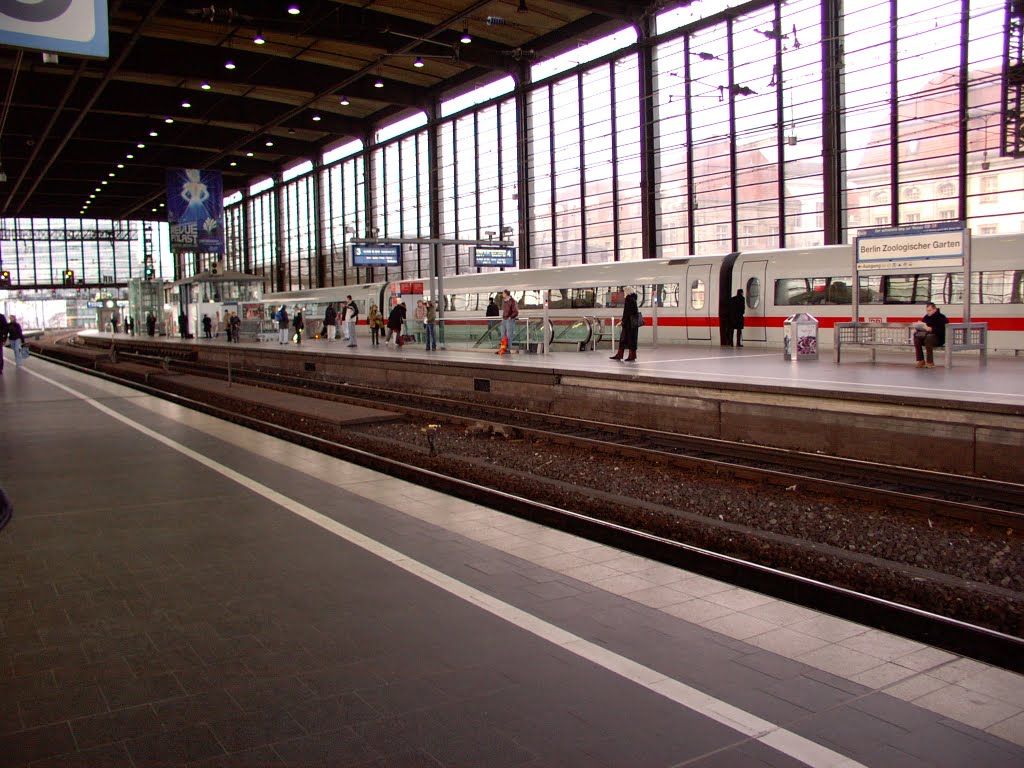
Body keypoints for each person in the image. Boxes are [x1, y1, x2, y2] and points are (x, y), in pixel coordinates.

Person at [610, 287, 641, 362]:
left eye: (624, 291)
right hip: (633, 324)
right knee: (631, 340)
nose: (624, 293)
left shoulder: (628, 299)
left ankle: (622, 355)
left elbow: (626, 312)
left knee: (624, 339)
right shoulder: (633, 299)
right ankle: (631, 355)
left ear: (627, 291)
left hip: (628, 324)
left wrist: (623, 321)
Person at [913, 301, 949, 369]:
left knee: (929, 338)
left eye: (929, 310)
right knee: (916, 337)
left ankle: (930, 362)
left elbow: (942, 330)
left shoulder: (941, 317)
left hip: (938, 339)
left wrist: (931, 329)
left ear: (935, 309)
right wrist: (919, 328)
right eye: (927, 311)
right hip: (926, 336)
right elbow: (923, 325)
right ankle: (921, 360)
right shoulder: (926, 317)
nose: (928, 312)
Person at [499, 289, 518, 355]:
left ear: (506, 294)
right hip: (504, 319)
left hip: (509, 320)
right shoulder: (505, 301)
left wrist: (510, 317)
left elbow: (516, 312)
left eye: (503, 293)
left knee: (509, 335)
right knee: (503, 335)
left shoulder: (512, 301)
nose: (502, 294)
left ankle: (508, 349)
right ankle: (503, 349)